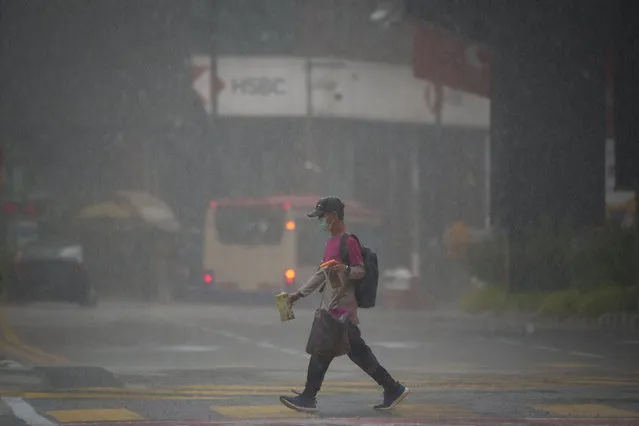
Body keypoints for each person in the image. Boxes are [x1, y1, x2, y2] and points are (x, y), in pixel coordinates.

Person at [279, 196, 409, 413]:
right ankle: (392, 388)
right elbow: (321, 275)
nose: (320, 221)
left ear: (334, 215)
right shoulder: (330, 242)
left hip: (342, 310)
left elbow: (360, 270)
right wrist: (297, 295)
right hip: (331, 308)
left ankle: (308, 397)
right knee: (355, 353)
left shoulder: (348, 241)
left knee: (324, 351)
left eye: (322, 217)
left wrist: (345, 270)